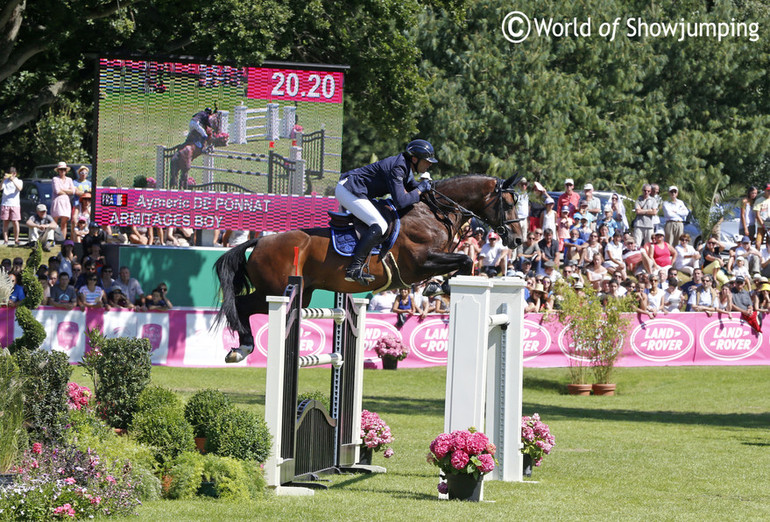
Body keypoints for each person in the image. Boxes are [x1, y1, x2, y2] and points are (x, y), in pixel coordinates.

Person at [335, 139, 436, 284]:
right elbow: (401, 201)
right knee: (380, 224)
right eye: (427, 161)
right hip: (349, 189)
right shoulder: (398, 168)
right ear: (414, 158)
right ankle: (354, 268)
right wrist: (420, 189)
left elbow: (413, 187)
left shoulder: (406, 167)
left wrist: (428, 188)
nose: (430, 164)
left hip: (358, 191)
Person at [51, 161, 75, 241]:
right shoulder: (55, 179)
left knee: (64, 223)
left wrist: (63, 190)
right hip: (57, 201)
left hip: (66, 202)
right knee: (55, 222)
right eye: (61, 169)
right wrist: (67, 191)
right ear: (58, 170)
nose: (62, 171)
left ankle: (63, 240)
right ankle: (52, 239)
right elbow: (57, 191)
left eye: (64, 169)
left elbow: (73, 191)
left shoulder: (69, 179)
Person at [1, 167, 23, 246]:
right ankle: (6, 240)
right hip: (5, 203)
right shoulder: (5, 181)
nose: (11, 175)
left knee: (15, 222)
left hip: (15, 204)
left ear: (15, 174)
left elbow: (20, 188)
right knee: (5, 222)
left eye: (12, 173)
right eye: (9, 173)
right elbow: (0, 188)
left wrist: (13, 180)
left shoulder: (19, 181)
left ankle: (16, 239)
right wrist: (3, 180)